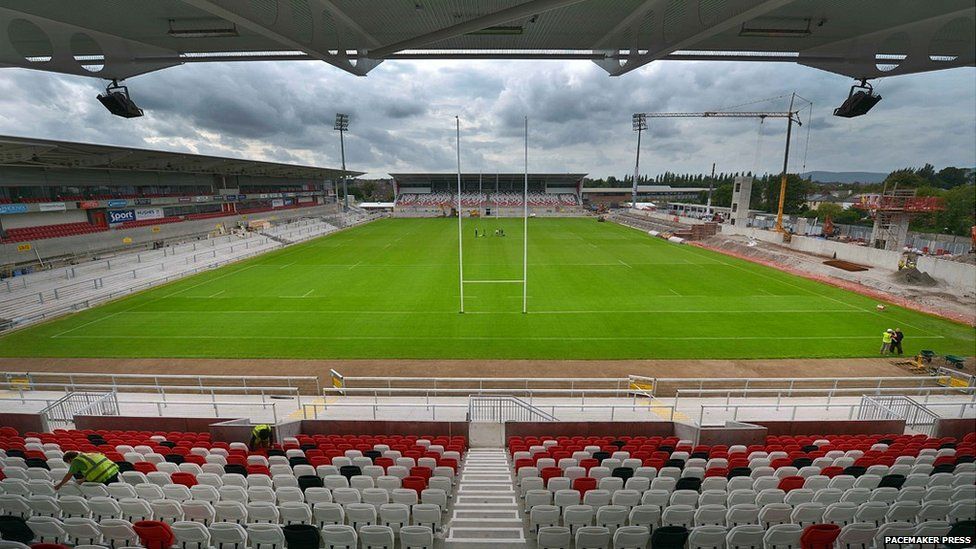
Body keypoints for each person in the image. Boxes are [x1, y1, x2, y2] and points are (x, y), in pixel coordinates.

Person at [55, 451, 119, 489]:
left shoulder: (76, 461)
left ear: (69, 460)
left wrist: (59, 485)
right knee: (115, 489)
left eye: (69, 463)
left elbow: (69, 475)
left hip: (103, 476)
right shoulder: (88, 454)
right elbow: (93, 468)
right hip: (113, 470)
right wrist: (83, 479)